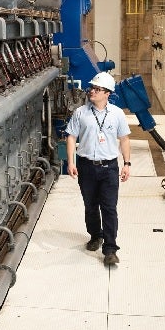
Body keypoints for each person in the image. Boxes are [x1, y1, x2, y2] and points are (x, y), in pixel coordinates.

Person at [65, 72, 131, 266]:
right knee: (91, 206)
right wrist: (71, 162)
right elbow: (71, 137)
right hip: (86, 166)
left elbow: (124, 139)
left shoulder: (117, 114)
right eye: (91, 88)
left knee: (109, 208)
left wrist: (127, 163)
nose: (92, 91)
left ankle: (110, 249)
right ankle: (96, 235)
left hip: (109, 167)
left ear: (107, 93)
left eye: (97, 89)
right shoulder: (81, 113)